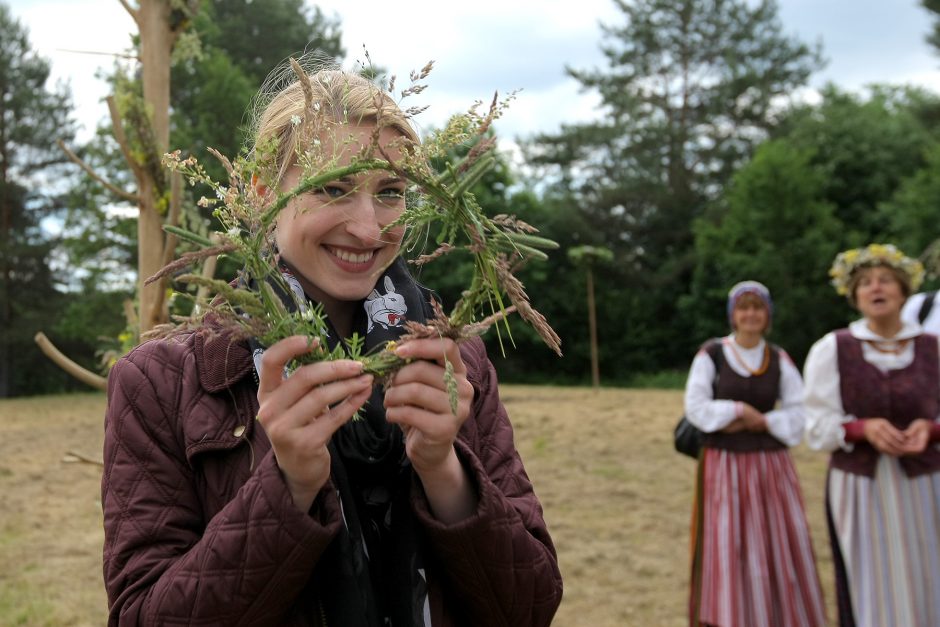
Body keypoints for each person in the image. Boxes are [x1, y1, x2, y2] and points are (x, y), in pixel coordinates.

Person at [100, 65, 563, 626]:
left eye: (390, 192)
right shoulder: (162, 383)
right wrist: (289, 485)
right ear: (264, 193)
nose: (368, 230)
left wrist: (445, 470)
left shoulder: (454, 366)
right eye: (334, 187)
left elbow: (530, 607)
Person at [803, 243, 940, 627]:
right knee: (872, 581)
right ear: (854, 296)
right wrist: (862, 428)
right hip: (860, 486)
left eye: (884, 281)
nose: (875, 288)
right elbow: (815, 425)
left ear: (903, 291)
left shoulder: (933, 348)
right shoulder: (834, 348)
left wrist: (930, 429)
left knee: (929, 576)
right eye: (865, 283)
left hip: (926, 484)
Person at [684, 280, 827, 627]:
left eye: (757, 307)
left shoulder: (778, 358)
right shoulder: (712, 353)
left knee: (776, 537)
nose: (750, 314)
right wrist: (737, 412)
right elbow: (696, 407)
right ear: (733, 315)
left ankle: (779, 613)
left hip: (771, 466)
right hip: (725, 465)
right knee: (728, 539)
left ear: (768, 315)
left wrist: (763, 421)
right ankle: (730, 614)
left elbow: (800, 412)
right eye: (743, 307)